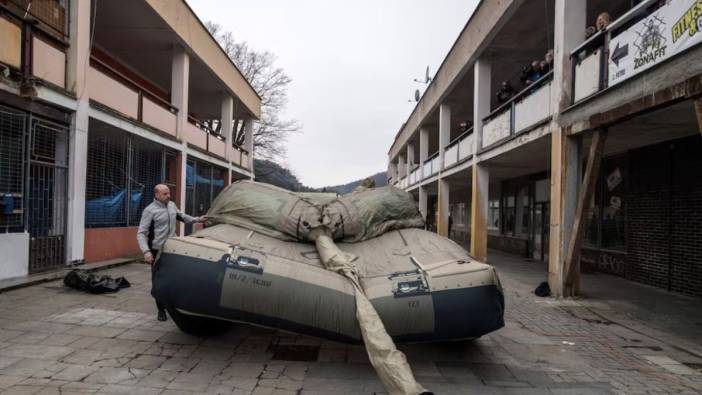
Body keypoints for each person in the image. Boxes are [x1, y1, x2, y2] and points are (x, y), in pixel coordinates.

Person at [137, 184, 207, 321]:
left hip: (172, 248)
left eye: (169, 193)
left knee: (176, 276)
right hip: (157, 250)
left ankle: (176, 304)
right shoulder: (149, 211)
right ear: (156, 194)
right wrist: (146, 251)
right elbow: (141, 233)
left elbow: (183, 217)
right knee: (158, 280)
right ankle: (161, 309)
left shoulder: (171, 205)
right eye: (165, 194)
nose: (168, 195)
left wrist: (198, 219)